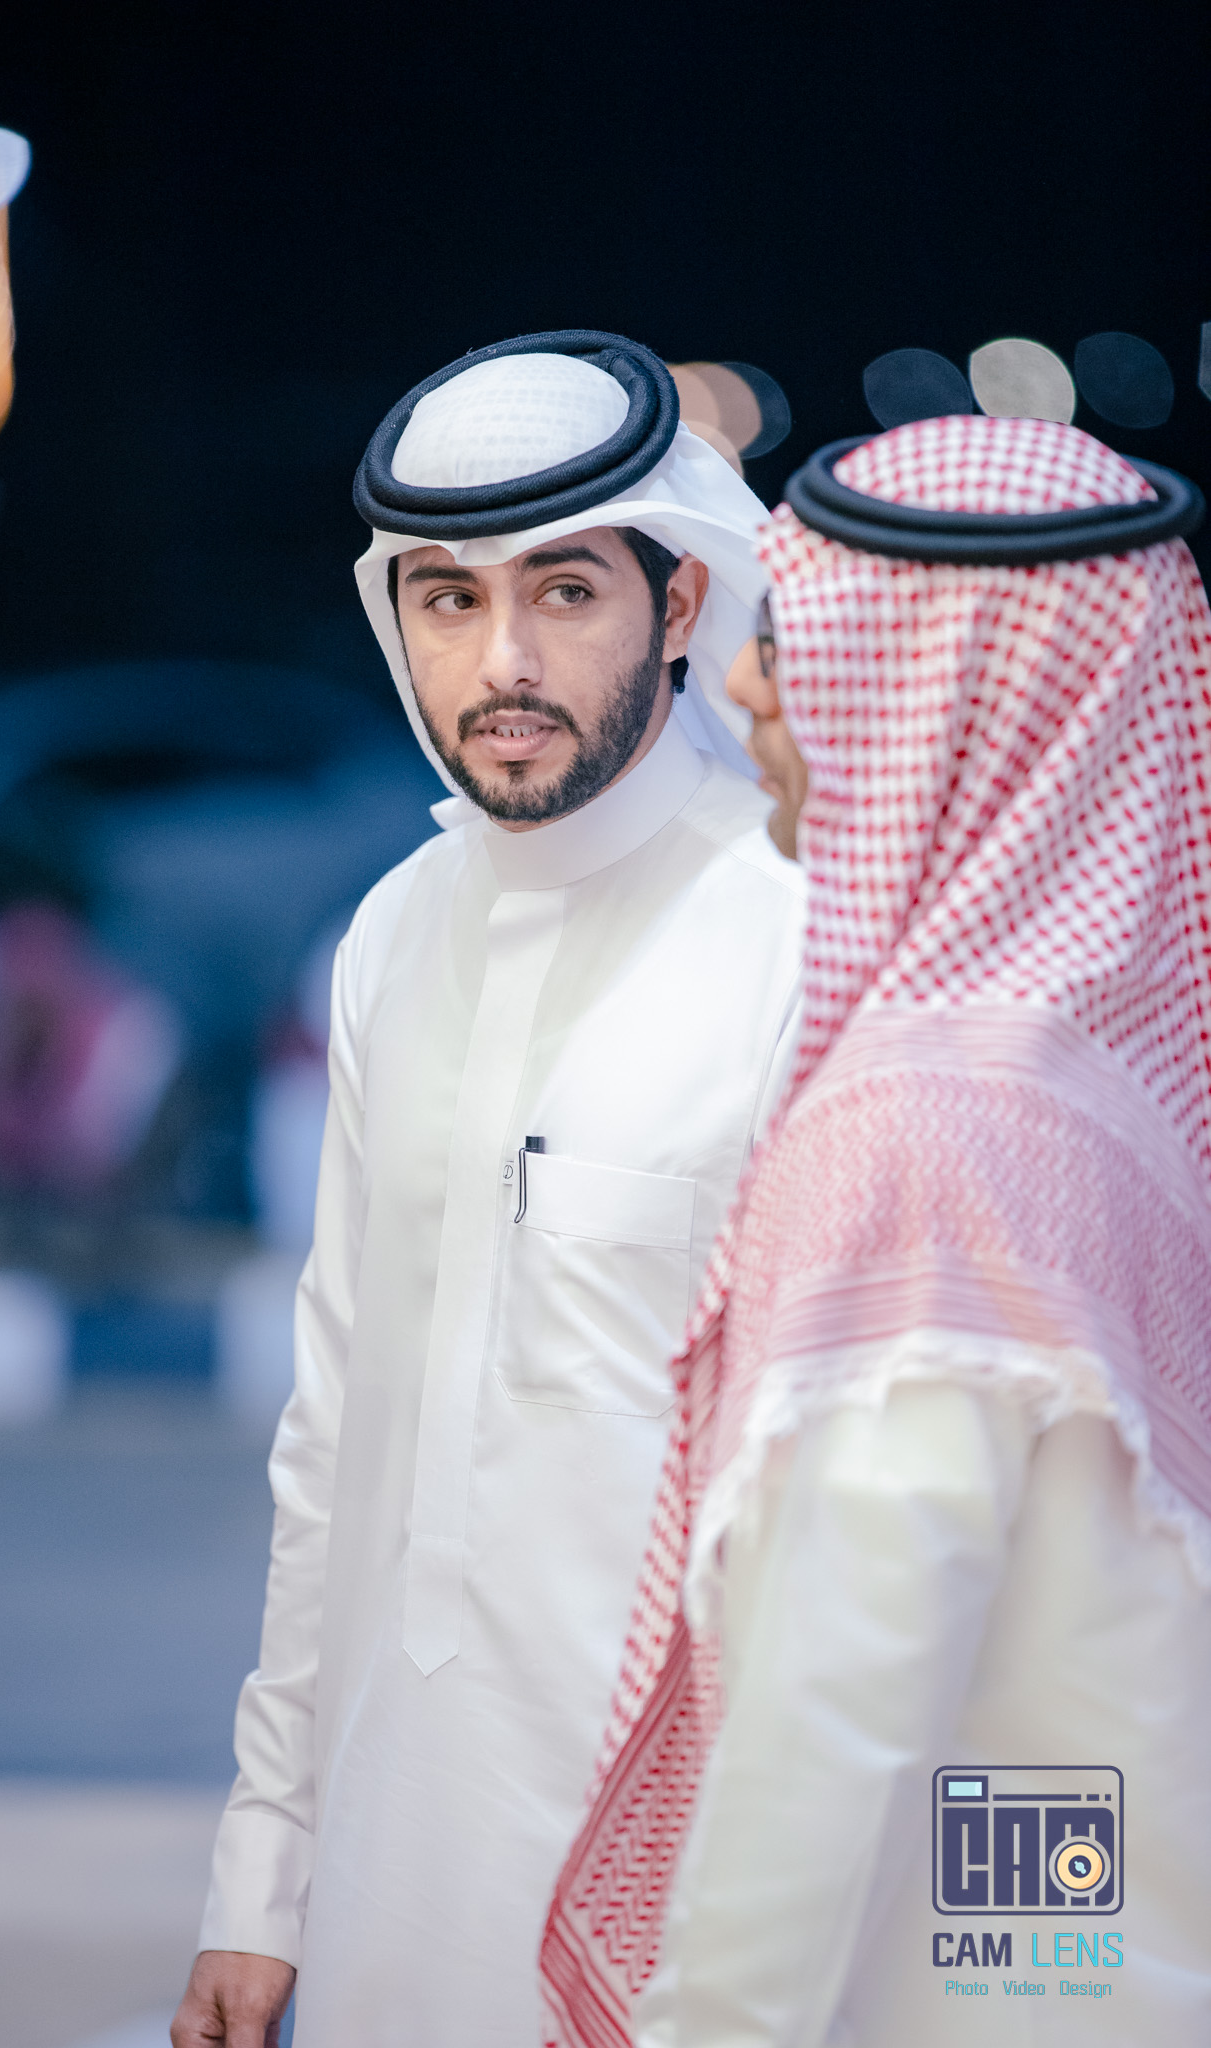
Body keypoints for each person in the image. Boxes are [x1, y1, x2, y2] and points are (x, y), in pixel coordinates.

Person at [543, 412, 1211, 2046]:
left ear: (957, 698)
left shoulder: (932, 1130)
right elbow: (1052, 1686)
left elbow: (833, 1713)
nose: (744, 689)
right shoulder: (1105, 1097)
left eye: (791, 645)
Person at [172, 332, 804, 2048]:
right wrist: (262, 1880)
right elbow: (334, 1435)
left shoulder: (793, 939)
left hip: (693, 1890)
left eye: (565, 591)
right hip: (389, 1868)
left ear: (680, 605)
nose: (503, 660)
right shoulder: (391, 934)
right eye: (448, 599)